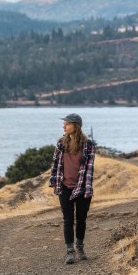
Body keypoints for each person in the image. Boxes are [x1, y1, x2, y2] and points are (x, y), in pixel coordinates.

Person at [49, 113, 96, 264]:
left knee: (81, 219)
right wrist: (55, 183)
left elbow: (89, 169)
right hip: (64, 186)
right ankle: (70, 251)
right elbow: (56, 165)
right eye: (64, 124)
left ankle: (80, 246)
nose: (64, 126)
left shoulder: (88, 145)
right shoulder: (61, 144)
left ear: (75, 126)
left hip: (82, 186)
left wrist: (87, 189)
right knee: (68, 220)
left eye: (67, 124)